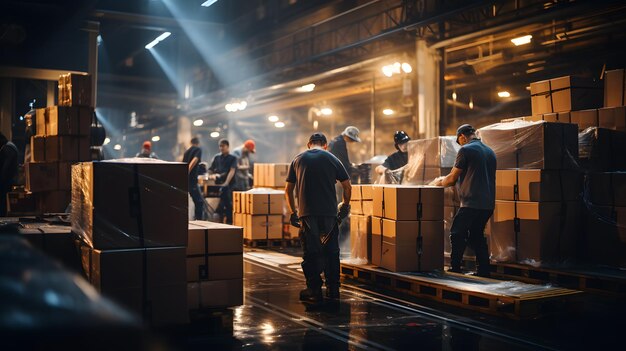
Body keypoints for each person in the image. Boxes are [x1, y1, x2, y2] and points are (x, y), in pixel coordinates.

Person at [285, 132, 352, 304]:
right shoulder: (332, 158)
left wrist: (293, 212)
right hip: (329, 214)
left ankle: (314, 291)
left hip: (307, 214)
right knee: (332, 252)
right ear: (325, 145)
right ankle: (333, 290)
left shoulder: (297, 159)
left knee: (312, 252)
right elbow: (347, 185)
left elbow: (288, 190)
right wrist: (345, 206)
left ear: (309, 144)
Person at [432, 124, 496, 277]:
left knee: (457, 233)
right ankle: (484, 271)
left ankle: (455, 268)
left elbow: (452, 179)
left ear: (462, 136)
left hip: (471, 202)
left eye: (458, 141)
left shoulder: (465, 150)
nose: (459, 144)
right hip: (487, 204)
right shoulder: (490, 151)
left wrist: (437, 183)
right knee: (476, 235)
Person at [208, 139, 237, 224]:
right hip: (218, 184)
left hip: (229, 185)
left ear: (227, 146)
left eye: (223, 146)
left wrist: (226, 183)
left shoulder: (232, 158)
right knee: (219, 206)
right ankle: (219, 222)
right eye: (220, 146)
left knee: (228, 205)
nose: (221, 148)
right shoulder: (217, 157)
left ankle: (229, 223)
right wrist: (211, 175)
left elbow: (232, 171)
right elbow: (210, 169)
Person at [183, 137, 203, 220]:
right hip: (192, 180)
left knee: (192, 201)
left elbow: (182, 163)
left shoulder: (186, 152)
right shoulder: (198, 149)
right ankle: (199, 221)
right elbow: (195, 160)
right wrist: (188, 171)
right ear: (197, 143)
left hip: (186, 180)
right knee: (199, 202)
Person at [0, 132, 19, 216]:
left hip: (7, 181)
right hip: (8, 180)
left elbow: (6, 166)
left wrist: (1, 178)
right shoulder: (9, 146)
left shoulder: (7, 148)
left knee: (3, 202)